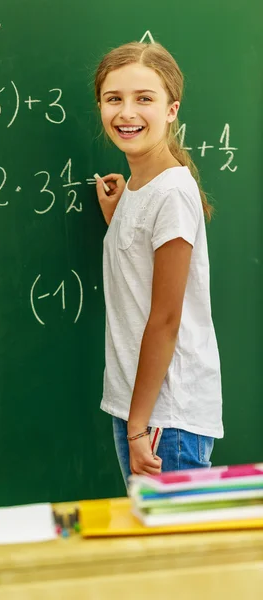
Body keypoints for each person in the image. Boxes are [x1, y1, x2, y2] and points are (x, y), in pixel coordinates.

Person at [94, 41, 223, 485]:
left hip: (165, 418)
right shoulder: (139, 186)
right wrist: (118, 219)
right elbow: (141, 270)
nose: (127, 112)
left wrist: (138, 427)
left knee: (176, 554)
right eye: (114, 99)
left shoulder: (171, 193)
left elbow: (165, 319)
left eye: (144, 98)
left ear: (172, 110)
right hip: (139, 406)